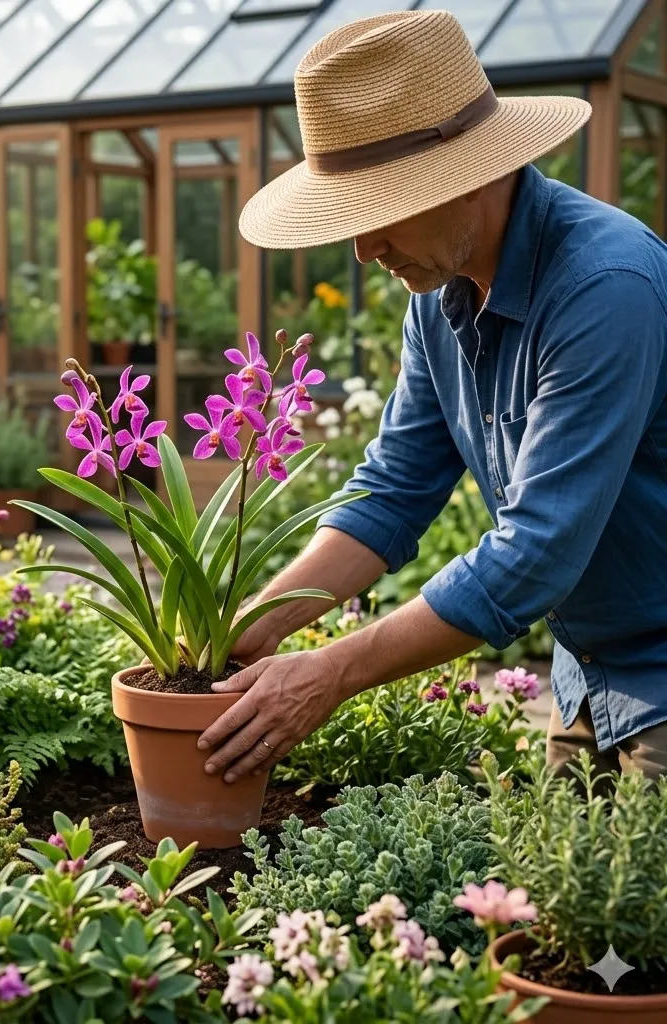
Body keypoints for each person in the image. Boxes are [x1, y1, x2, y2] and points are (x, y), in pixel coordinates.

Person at [198, 9, 667, 784]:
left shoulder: (603, 287)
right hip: (587, 674)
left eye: (381, 211)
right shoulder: (440, 295)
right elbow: (394, 489)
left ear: (471, 175)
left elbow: (537, 551)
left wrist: (332, 672)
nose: (363, 249)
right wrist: (258, 622)